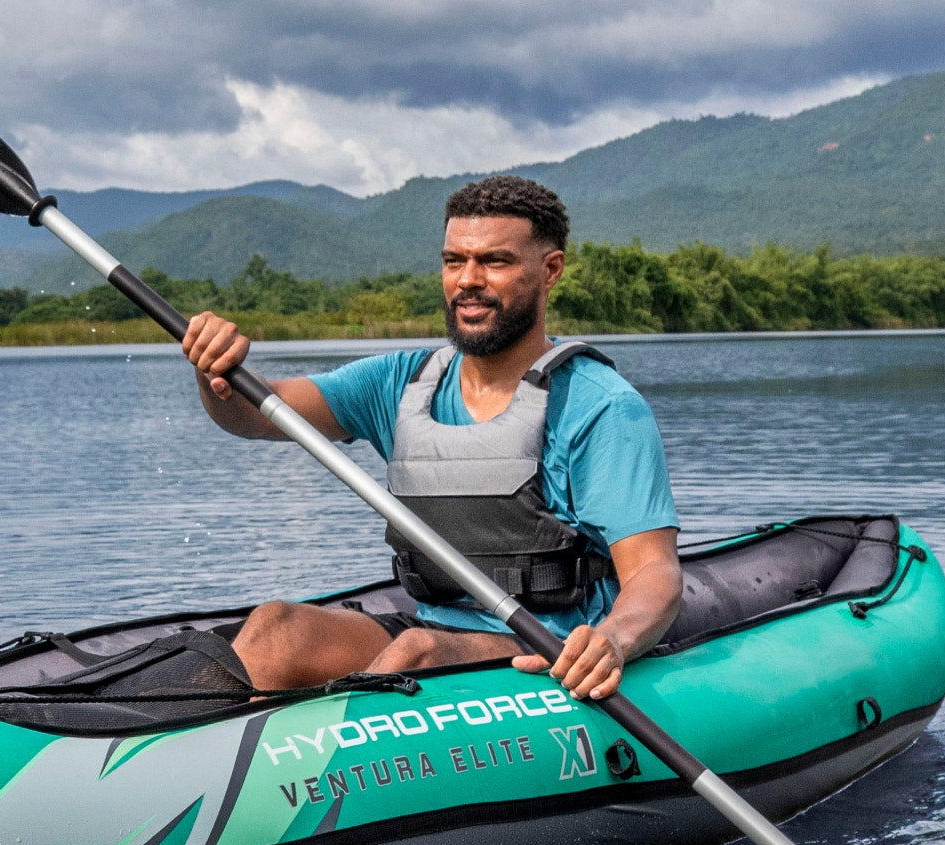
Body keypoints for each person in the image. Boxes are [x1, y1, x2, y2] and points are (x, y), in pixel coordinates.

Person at [181, 175, 681, 701]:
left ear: (550, 270)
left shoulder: (601, 405)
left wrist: (614, 639)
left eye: (494, 261)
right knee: (276, 628)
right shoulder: (398, 382)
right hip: (431, 625)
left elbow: (654, 571)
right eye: (453, 261)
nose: (468, 280)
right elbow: (254, 413)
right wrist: (213, 369)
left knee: (417, 654)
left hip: (544, 648)